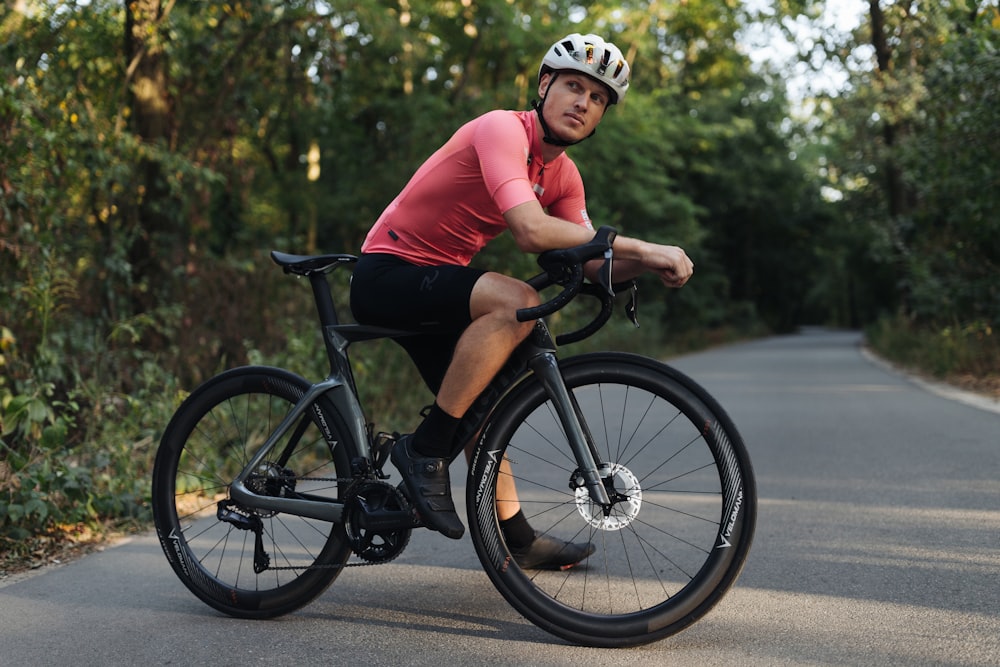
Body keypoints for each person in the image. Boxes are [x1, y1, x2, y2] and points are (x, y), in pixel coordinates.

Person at [350, 33, 694, 569]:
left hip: (441, 283)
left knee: (483, 401)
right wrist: (644, 245)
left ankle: (518, 539)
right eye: (573, 86)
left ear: (602, 115)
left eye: (597, 97)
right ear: (544, 86)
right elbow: (531, 231)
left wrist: (646, 265)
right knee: (516, 300)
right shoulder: (500, 130)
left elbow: (587, 259)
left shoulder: (562, 174)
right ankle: (422, 453)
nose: (582, 102)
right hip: (387, 272)